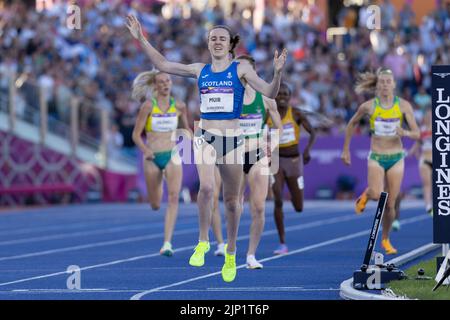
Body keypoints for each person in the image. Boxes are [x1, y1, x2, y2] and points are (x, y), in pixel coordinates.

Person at [126, 14, 287, 282]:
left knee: (233, 203)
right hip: (206, 137)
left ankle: (232, 252)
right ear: (208, 43)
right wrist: (140, 38)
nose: (217, 42)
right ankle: (203, 241)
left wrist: (278, 72)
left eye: (222, 39)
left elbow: (270, 92)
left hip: (233, 141)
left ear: (230, 44)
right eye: (213, 39)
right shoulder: (199, 70)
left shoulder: (241, 70)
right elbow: (162, 63)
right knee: (208, 188)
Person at [341, 68, 420, 255]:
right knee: (377, 194)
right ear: (377, 85)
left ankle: (385, 239)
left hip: (396, 157)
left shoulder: (403, 106)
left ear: (393, 84)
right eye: (382, 81)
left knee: (391, 204)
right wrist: (345, 149)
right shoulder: (368, 106)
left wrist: (405, 133)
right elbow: (351, 124)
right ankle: (367, 194)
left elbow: (417, 133)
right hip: (376, 156)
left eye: (388, 81)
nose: (385, 85)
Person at [131, 70, 190, 257]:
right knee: (156, 204)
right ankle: (155, 203)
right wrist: (145, 150)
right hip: (152, 157)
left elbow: (185, 128)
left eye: (168, 80)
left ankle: (167, 243)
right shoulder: (148, 106)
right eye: (161, 82)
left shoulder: (179, 106)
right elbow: (135, 135)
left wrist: (190, 137)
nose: (165, 84)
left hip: (172, 154)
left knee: (173, 197)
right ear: (155, 86)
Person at [236, 55, 282, 268]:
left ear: (252, 72)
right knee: (234, 206)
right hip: (233, 156)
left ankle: (251, 256)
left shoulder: (265, 98)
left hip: (257, 155)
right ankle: (229, 248)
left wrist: (271, 147)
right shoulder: (228, 97)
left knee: (259, 207)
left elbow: (279, 127)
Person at [269, 82, 316, 255]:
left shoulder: (295, 113)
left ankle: (294, 195)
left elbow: (313, 132)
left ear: (290, 97)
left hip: (294, 161)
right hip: (275, 161)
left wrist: (307, 150)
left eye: (285, 94)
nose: (282, 97)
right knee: (278, 200)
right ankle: (282, 243)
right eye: (279, 94)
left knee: (298, 206)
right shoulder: (268, 114)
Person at [408, 108, 433, 215]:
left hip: (438, 160)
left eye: (430, 116)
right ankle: (428, 206)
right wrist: (412, 152)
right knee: (426, 184)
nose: (428, 118)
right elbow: (418, 143)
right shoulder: (422, 130)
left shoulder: (442, 128)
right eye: (427, 116)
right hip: (425, 159)